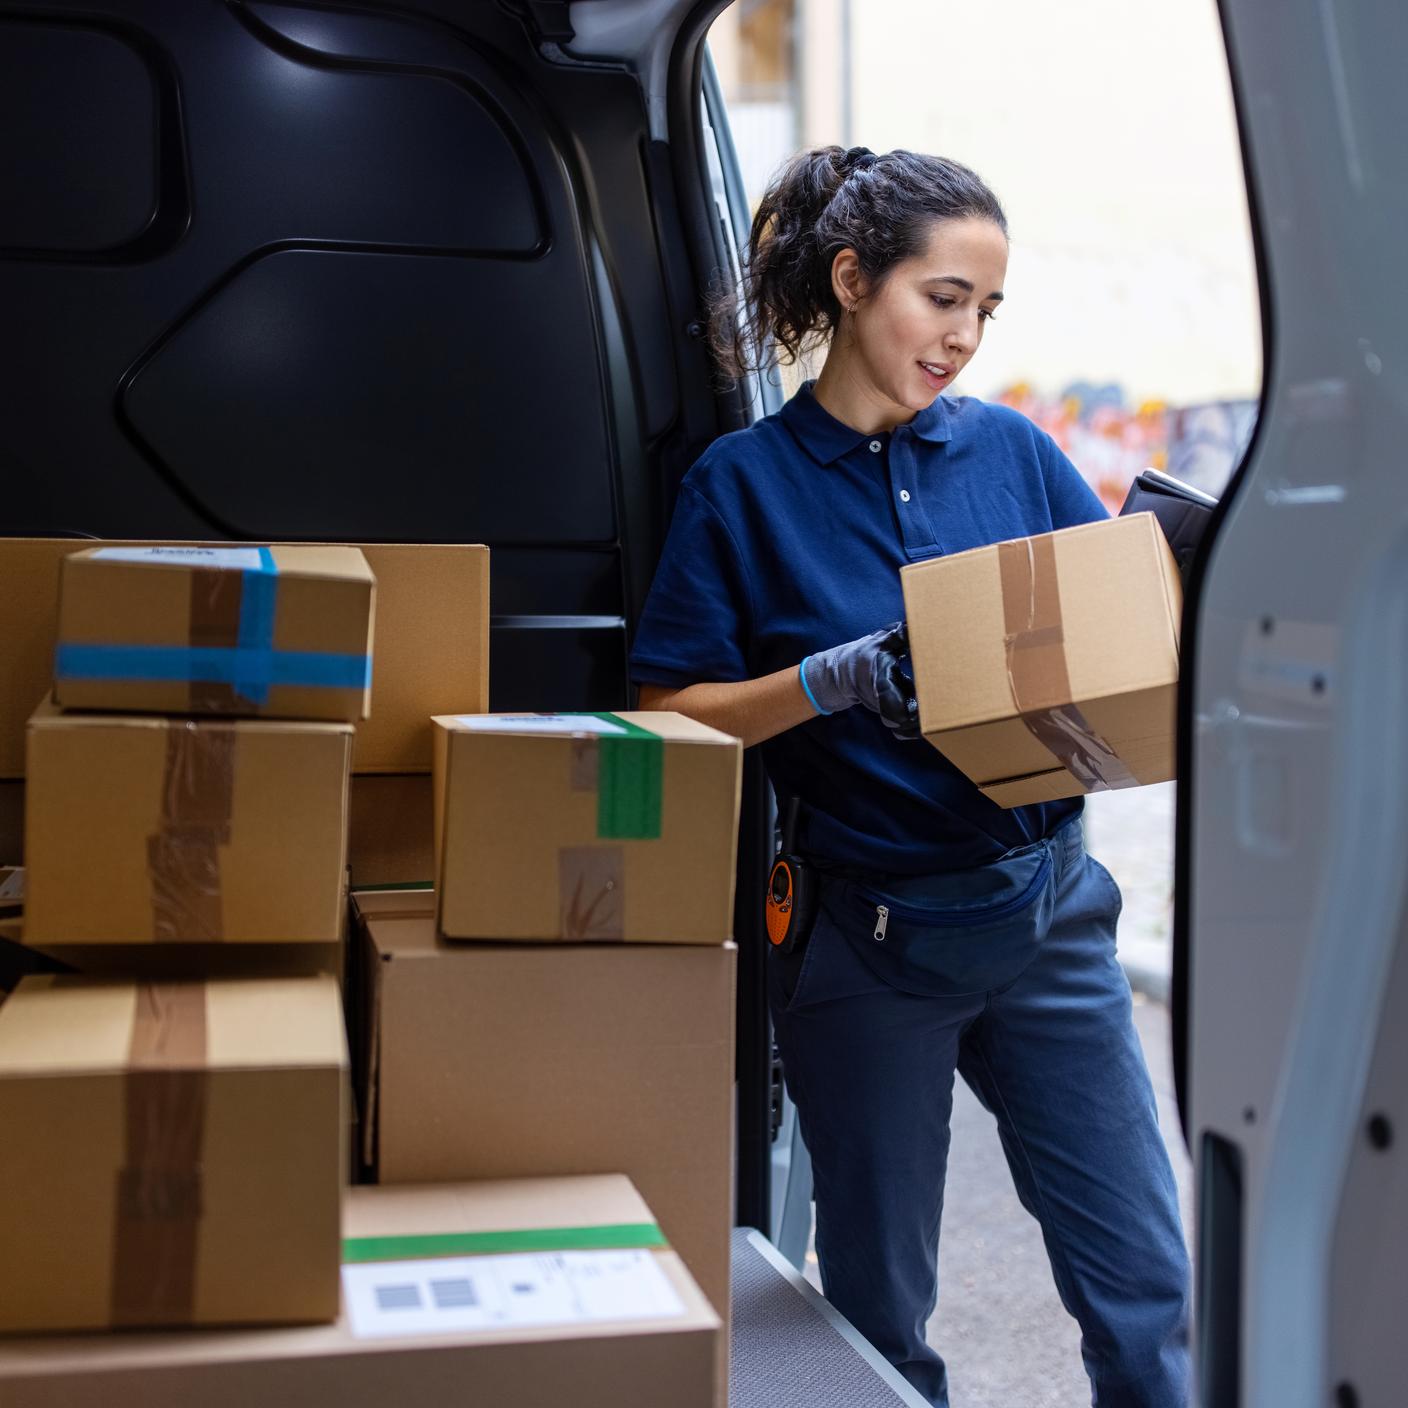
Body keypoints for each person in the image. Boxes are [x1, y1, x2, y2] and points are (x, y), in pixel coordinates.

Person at [628, 145, 1190, 1407]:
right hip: (872, 948)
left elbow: (1111, 639)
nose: (964, 337)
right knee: (880, 1317)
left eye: (986, 311)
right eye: (943, 298)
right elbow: (668, 714)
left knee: (1146, 1290)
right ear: (850, 277)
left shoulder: (1014, 453)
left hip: (1048, 917)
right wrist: (823, 683)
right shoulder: (741, 488)